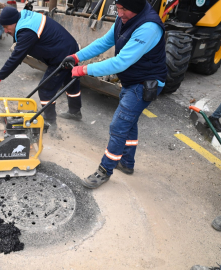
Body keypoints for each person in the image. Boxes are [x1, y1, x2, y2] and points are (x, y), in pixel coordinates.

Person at [62, 0, 167, 188]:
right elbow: (104, 42)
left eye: (123, 9)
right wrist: (77, 56)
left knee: (119, 125)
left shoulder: (149, 27)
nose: (119, 13)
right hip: (133, 79)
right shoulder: (124, 18)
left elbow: (120, 63)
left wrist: (84, 70)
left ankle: (105, 170)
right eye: (118, 8)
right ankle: (127, 163)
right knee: (129, 121)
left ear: (135, 8)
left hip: (144, 83)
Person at [0, 7, 82, 125]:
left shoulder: (26, 31)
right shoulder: (24, 17)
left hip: (62, 55)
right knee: (70, 82)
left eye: (6, 27)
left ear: (14, 22)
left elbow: (15, 58)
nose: (5, 31)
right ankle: (75, 112)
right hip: (69, 47)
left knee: (45, 88)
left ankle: (49, 122)